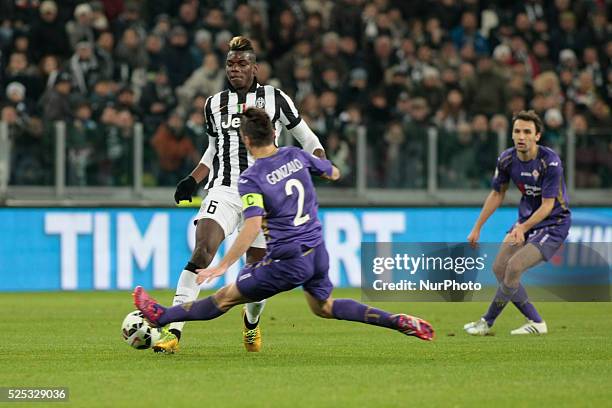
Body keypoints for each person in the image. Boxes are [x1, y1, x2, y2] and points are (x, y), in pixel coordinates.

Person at [133, 108, 434, 345]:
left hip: (287, 262)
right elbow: (333, 172)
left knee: (223, 298)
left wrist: (222, 266)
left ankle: (161, 317)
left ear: (247, 141)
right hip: (317, 252)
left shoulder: (251, 178)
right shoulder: (296, 155)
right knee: (324, 307)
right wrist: (324, 171)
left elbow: (250, 228)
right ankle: (396, 321)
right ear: (274, 133)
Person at [158, 36, 326, 353]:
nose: (235, 69)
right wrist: (193, 179)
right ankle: (173, 332)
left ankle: (250, 324)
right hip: (225, 189)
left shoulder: (277, 99)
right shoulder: (213, 104)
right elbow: (213, 149)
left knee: (257, 273)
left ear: (255, 68)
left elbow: (308, 138)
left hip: (266, 195)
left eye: (242, 63)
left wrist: (317, 164)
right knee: (203, 251)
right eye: (230, 64)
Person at [464, 110, 571, 335]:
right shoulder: (506, 159)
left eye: (527, 132)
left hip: (553, 223)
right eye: (517, 131)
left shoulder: (549, 161)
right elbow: (497, 194)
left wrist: (523, 227)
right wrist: (477, 226)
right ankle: (536, 322)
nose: (521, 136)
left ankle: (487, 322)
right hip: (526, 220)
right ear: (512, 134)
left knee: (514, 266)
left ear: (537, 136)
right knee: (499, 268)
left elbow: (547, 206)